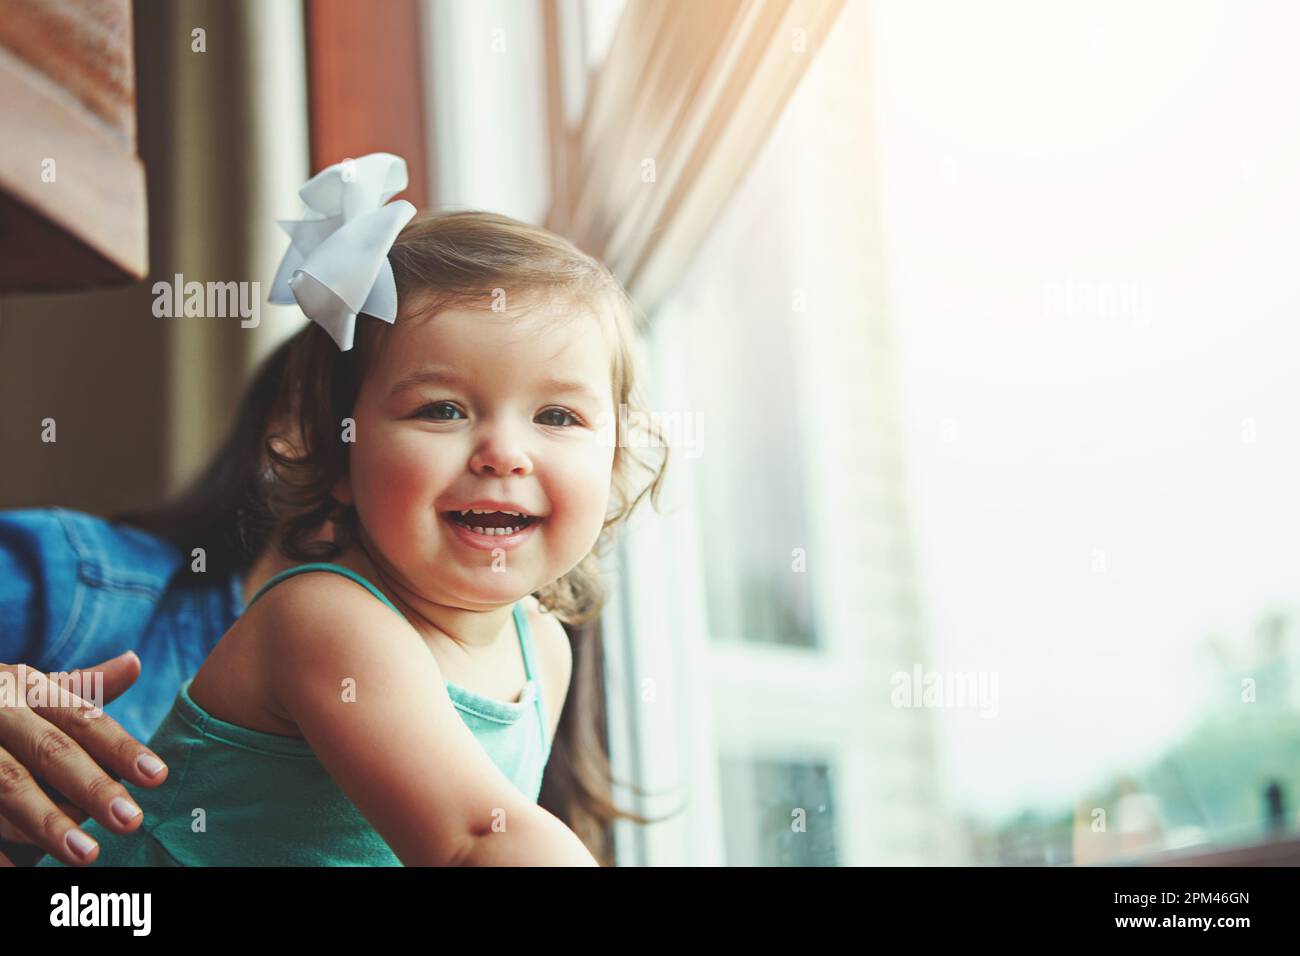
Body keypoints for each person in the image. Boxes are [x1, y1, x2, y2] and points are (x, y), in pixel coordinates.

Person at [6, 154, 671, 865]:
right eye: (442, 409)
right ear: (328, 452)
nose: (504, 453)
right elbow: (473, 842)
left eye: (559, 416)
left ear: (617, 456)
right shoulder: (324, 619)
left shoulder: (542, 649)